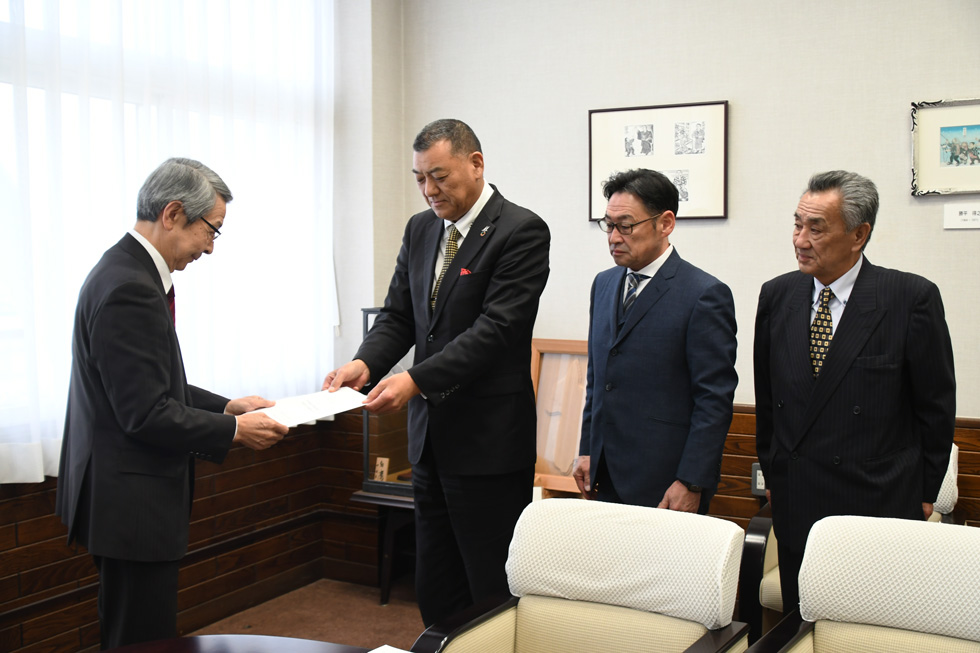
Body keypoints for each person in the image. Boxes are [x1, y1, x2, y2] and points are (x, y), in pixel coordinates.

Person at [55, 157, 289, 650]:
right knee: (141, 638)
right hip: (131, 505)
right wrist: (234, 433)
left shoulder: (126, 269)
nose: (210, 247)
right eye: (212, 231)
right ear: (174, 213)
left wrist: (227, 407)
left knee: (137, 632)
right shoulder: (129, 288)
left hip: (123, 498)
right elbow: (144, 413)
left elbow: (151, 385)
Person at [323, 119, 550, 626]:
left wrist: (416, 379)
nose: (429, 190)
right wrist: (364, 363)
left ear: (476, 164)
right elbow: (399, 315)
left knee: (489, 585)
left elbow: (495, 331)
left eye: (440, 176)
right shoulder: (421, 229)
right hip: (429, 440)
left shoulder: (521, 230)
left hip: (488, 443)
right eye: (419, 177)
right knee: (437, 579)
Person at [754, 170, 955, 614]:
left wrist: (924, 493)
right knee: (799, 622)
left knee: (867, 626)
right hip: (797, 501)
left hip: (876, 501)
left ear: (859, 234)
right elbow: (768, 403)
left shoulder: (909, 298)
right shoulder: (777, 296)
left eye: (816, 228)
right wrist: (774, 475)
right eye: (797, 224)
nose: (800, 240)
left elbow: (936, 408)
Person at [573, 169, 737, 514]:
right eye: (609, 224)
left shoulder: (703, 294)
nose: (614, 237)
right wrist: (587, 449)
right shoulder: (603, 284)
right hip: (604, 475)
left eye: (626, 225)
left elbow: (713, 400)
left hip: (666, 483)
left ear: (665, 223)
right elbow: (598, 380)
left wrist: (691, 481)